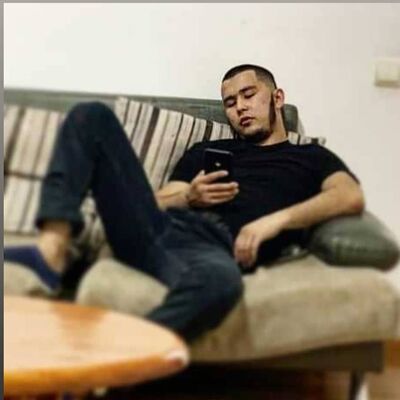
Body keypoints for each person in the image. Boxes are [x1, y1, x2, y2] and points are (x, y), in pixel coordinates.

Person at [4, 64, 364, 341]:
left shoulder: (311, 157)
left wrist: (274, 222)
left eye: (249, 95)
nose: (240, 107)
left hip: (212, 251)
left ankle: (108, 362)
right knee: (90, 115)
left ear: (277, 98)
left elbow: (350, 196)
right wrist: (189, 195)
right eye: (230, 102)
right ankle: (51, 251)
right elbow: (156, 202)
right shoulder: (207, 151)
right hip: (161, 228)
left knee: (222, 283)